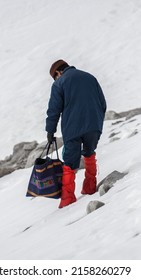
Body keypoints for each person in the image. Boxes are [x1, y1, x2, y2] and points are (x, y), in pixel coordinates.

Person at [46, 59, 107, 208]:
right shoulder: (90, 77)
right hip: (94, 126)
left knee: (70, 162)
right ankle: (90, 187)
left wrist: (50, 130)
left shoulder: (59, 84)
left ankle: (67, 199)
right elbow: (102, 103)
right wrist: (97, 122)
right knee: (89, 153)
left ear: (58, 73)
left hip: (73, 129)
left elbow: (54, 110)